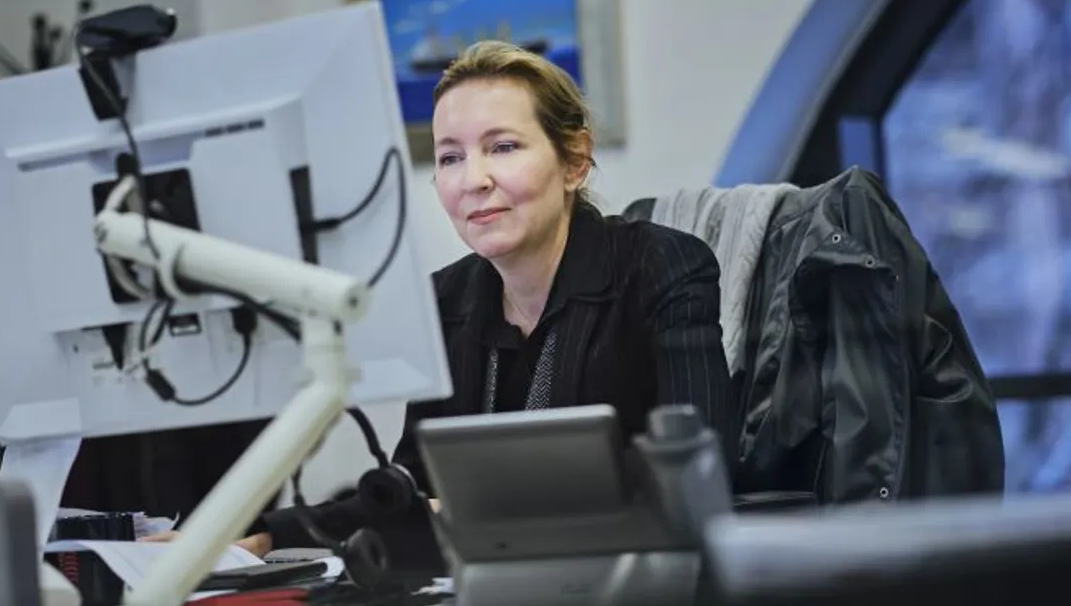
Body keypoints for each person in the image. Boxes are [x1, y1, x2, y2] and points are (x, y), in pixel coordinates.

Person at [149, 40, 736, 555]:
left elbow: (703, 472)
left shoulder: (660, 266)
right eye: (451, 156)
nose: (471, 179)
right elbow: (413, 487)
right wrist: (264, 533)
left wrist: (479, 508)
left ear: (575, 161)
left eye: (502, 147)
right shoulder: (447, 299)